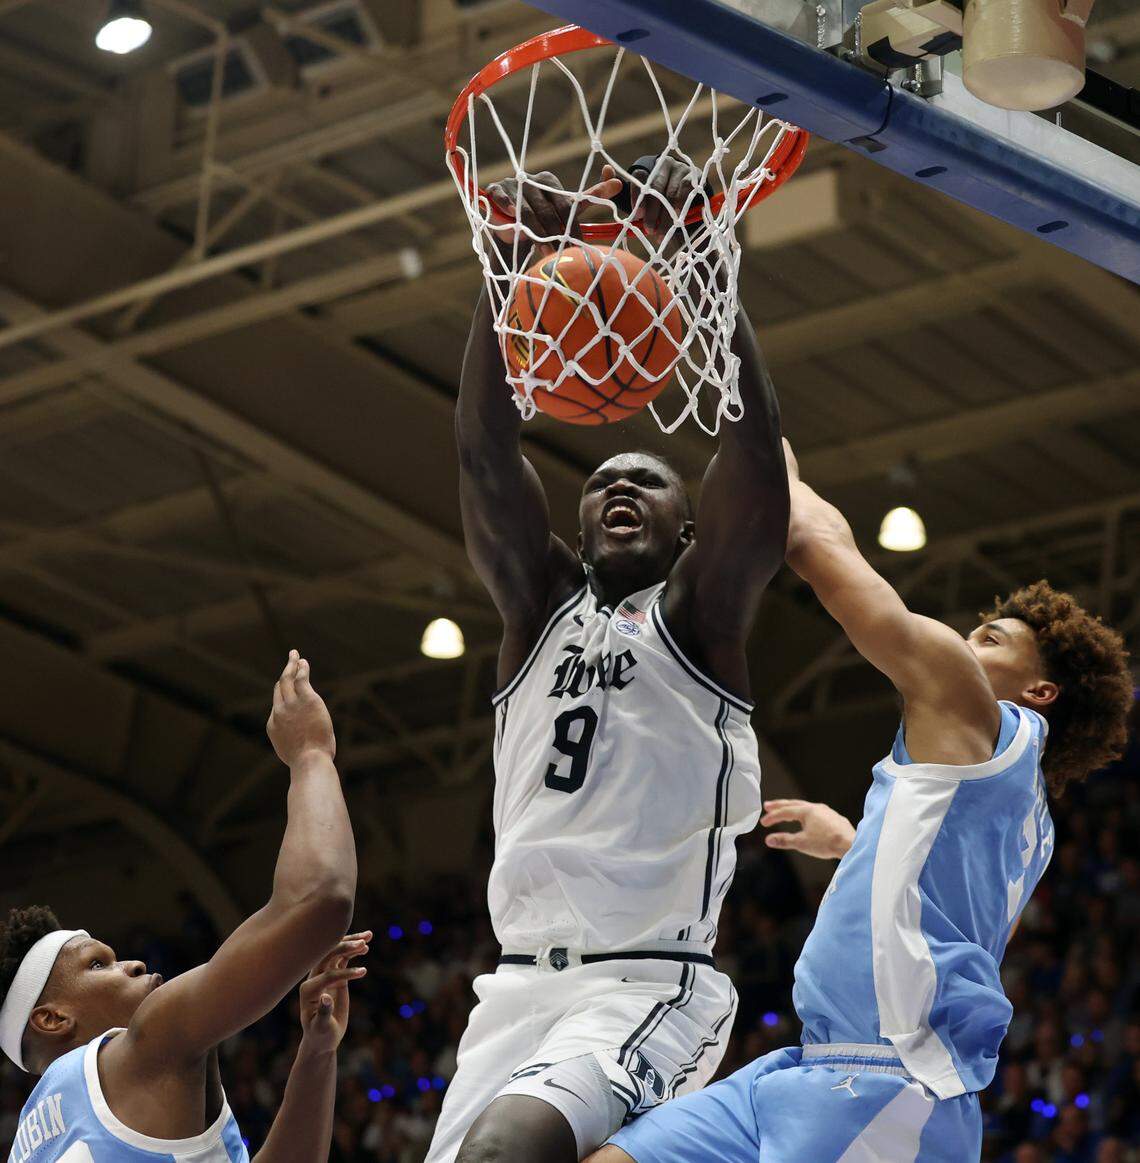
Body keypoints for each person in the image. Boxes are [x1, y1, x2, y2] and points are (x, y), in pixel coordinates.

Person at [588, 441, 1133, 1162]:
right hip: (806, 1066)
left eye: (991, 637)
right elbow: (938, 902)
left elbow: (819, 545)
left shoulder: (971, 703)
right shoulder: (1015, 805)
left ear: (1040, 692)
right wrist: (854, 842)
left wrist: (762, 430)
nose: (966, 641)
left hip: (893, 1084)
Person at [428, 161, 790, 1163]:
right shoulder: (538, 609)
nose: (618, 485)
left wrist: (703, 261)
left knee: (509, 1150)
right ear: (578, 527)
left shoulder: (701, 618)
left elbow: (755, 457)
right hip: (513, 989)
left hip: (643, 979)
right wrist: (505, 270)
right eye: (599, 481)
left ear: (687, 531)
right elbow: (482, 452)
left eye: (647, 480)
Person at [2, 652, 364, 1162]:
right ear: (53, 1018)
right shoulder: (146, 1043)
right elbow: (320, 899)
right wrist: (310, 753)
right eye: (98, 964)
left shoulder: (31, 1139)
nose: (133, 964)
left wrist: (317, 1052)